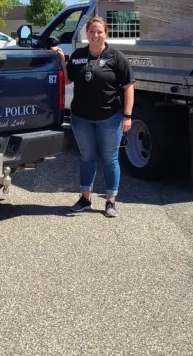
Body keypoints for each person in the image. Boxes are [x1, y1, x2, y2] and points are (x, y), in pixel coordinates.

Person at [52, 16, 135, 218]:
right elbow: (69, 79)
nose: (95, 35)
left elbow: (128, 87)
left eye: (99, 32)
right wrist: (63, 60)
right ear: (86, 34)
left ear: (106, 33)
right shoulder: (79, 55)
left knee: (110, 159)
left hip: (110, 118)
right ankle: (85, 199)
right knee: (86, 158)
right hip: (81, 118)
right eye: (91, 32)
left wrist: (127, 116)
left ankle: (110, 202)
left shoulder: (116, 57)